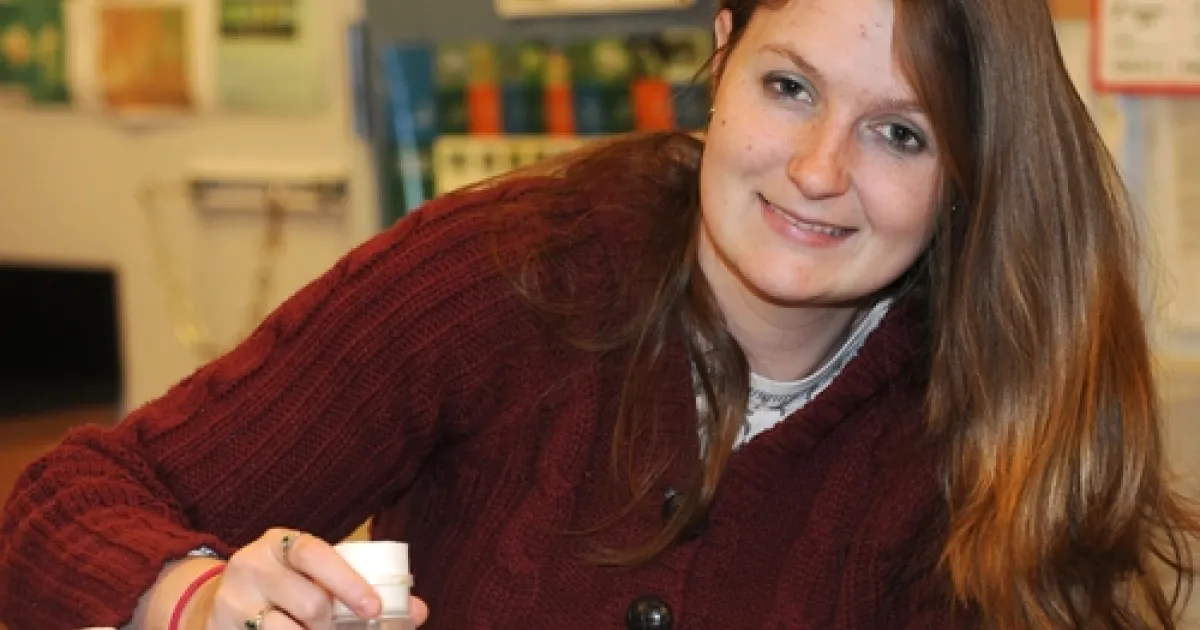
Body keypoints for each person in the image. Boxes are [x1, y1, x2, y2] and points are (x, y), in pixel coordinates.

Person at [1, 0, 1197, 627]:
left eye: (899, 132)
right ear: (722, 57)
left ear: (969, 172)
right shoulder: (503, 273)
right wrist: (189, 600)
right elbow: (66, 505)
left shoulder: (992, 427)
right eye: (789, 87)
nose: (818, 170)